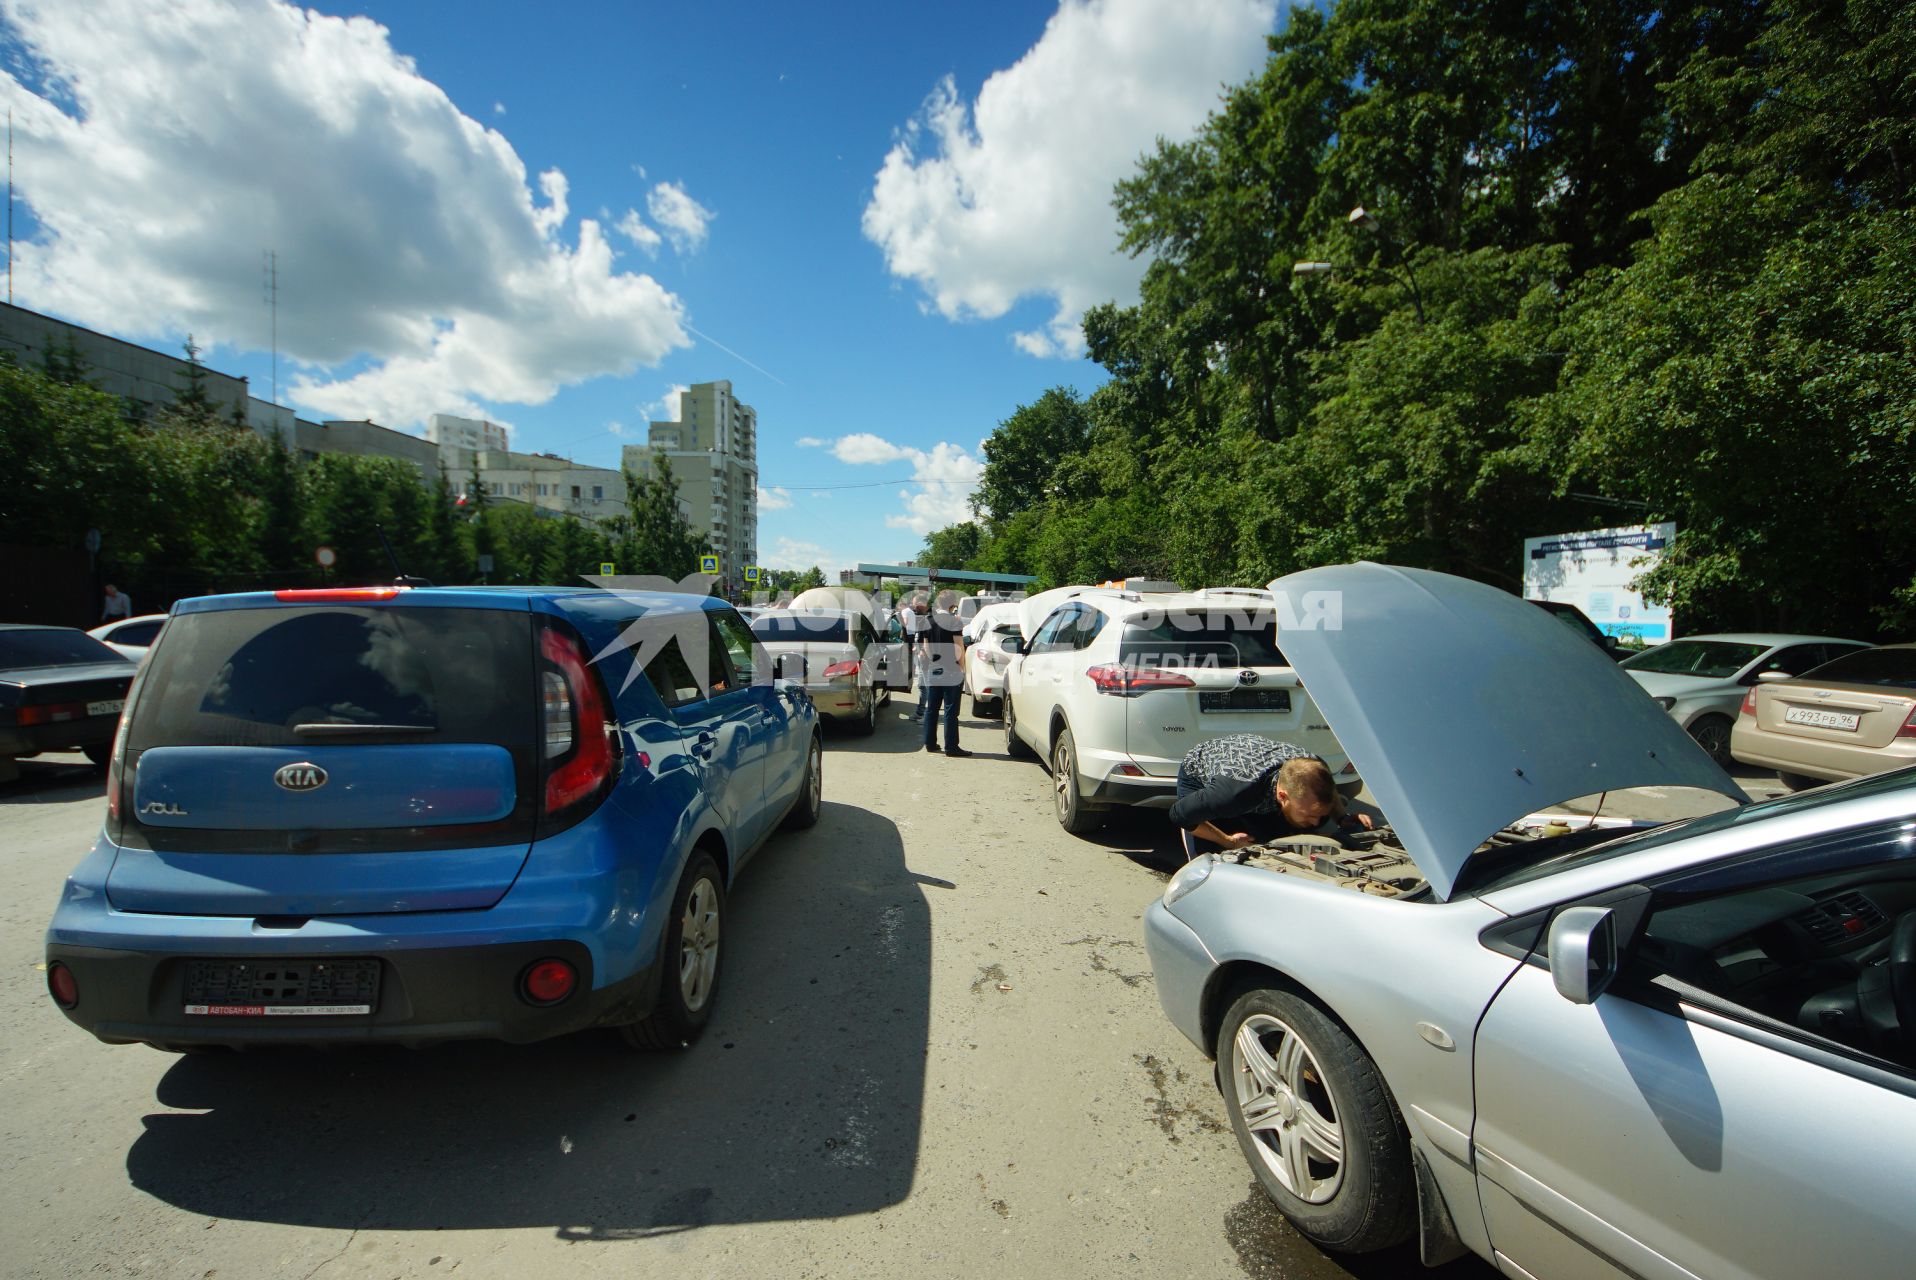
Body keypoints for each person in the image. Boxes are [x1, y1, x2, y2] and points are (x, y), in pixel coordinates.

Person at [1168, 733, 1371, 861]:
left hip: (1260, 767)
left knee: (1274, 844)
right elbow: (1180, 815)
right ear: (1283, 796)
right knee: (1206, 861)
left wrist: (1343, 817)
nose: (1316, 822)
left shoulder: (1316, 768)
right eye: (1310, 814)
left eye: (1318, 814)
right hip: (1201, 767)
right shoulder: (1232, 795)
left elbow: (1328, 792)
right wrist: (1228, 841)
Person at [919, 591, 970, 757]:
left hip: (934, 668)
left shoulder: (928, 621)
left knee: (931, 708)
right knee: (950, 710)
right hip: (951, 669)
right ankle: (951, 747)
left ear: (938, 603)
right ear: (952, 604)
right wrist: (962, 667)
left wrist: (933, 661)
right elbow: (959, 647)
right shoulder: (955, 621)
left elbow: (925, 646)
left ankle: (930, 743)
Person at [904, 596, 932, 722]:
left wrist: (922, 651)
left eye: (915, 605)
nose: (914, 607)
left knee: (926, 686)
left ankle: (925, 715)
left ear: (921, 604)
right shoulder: (926, 618)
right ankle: (922, 713)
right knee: (923, 686)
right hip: (926, 657)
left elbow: (926, 640)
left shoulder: (928, 619)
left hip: (926, 658)